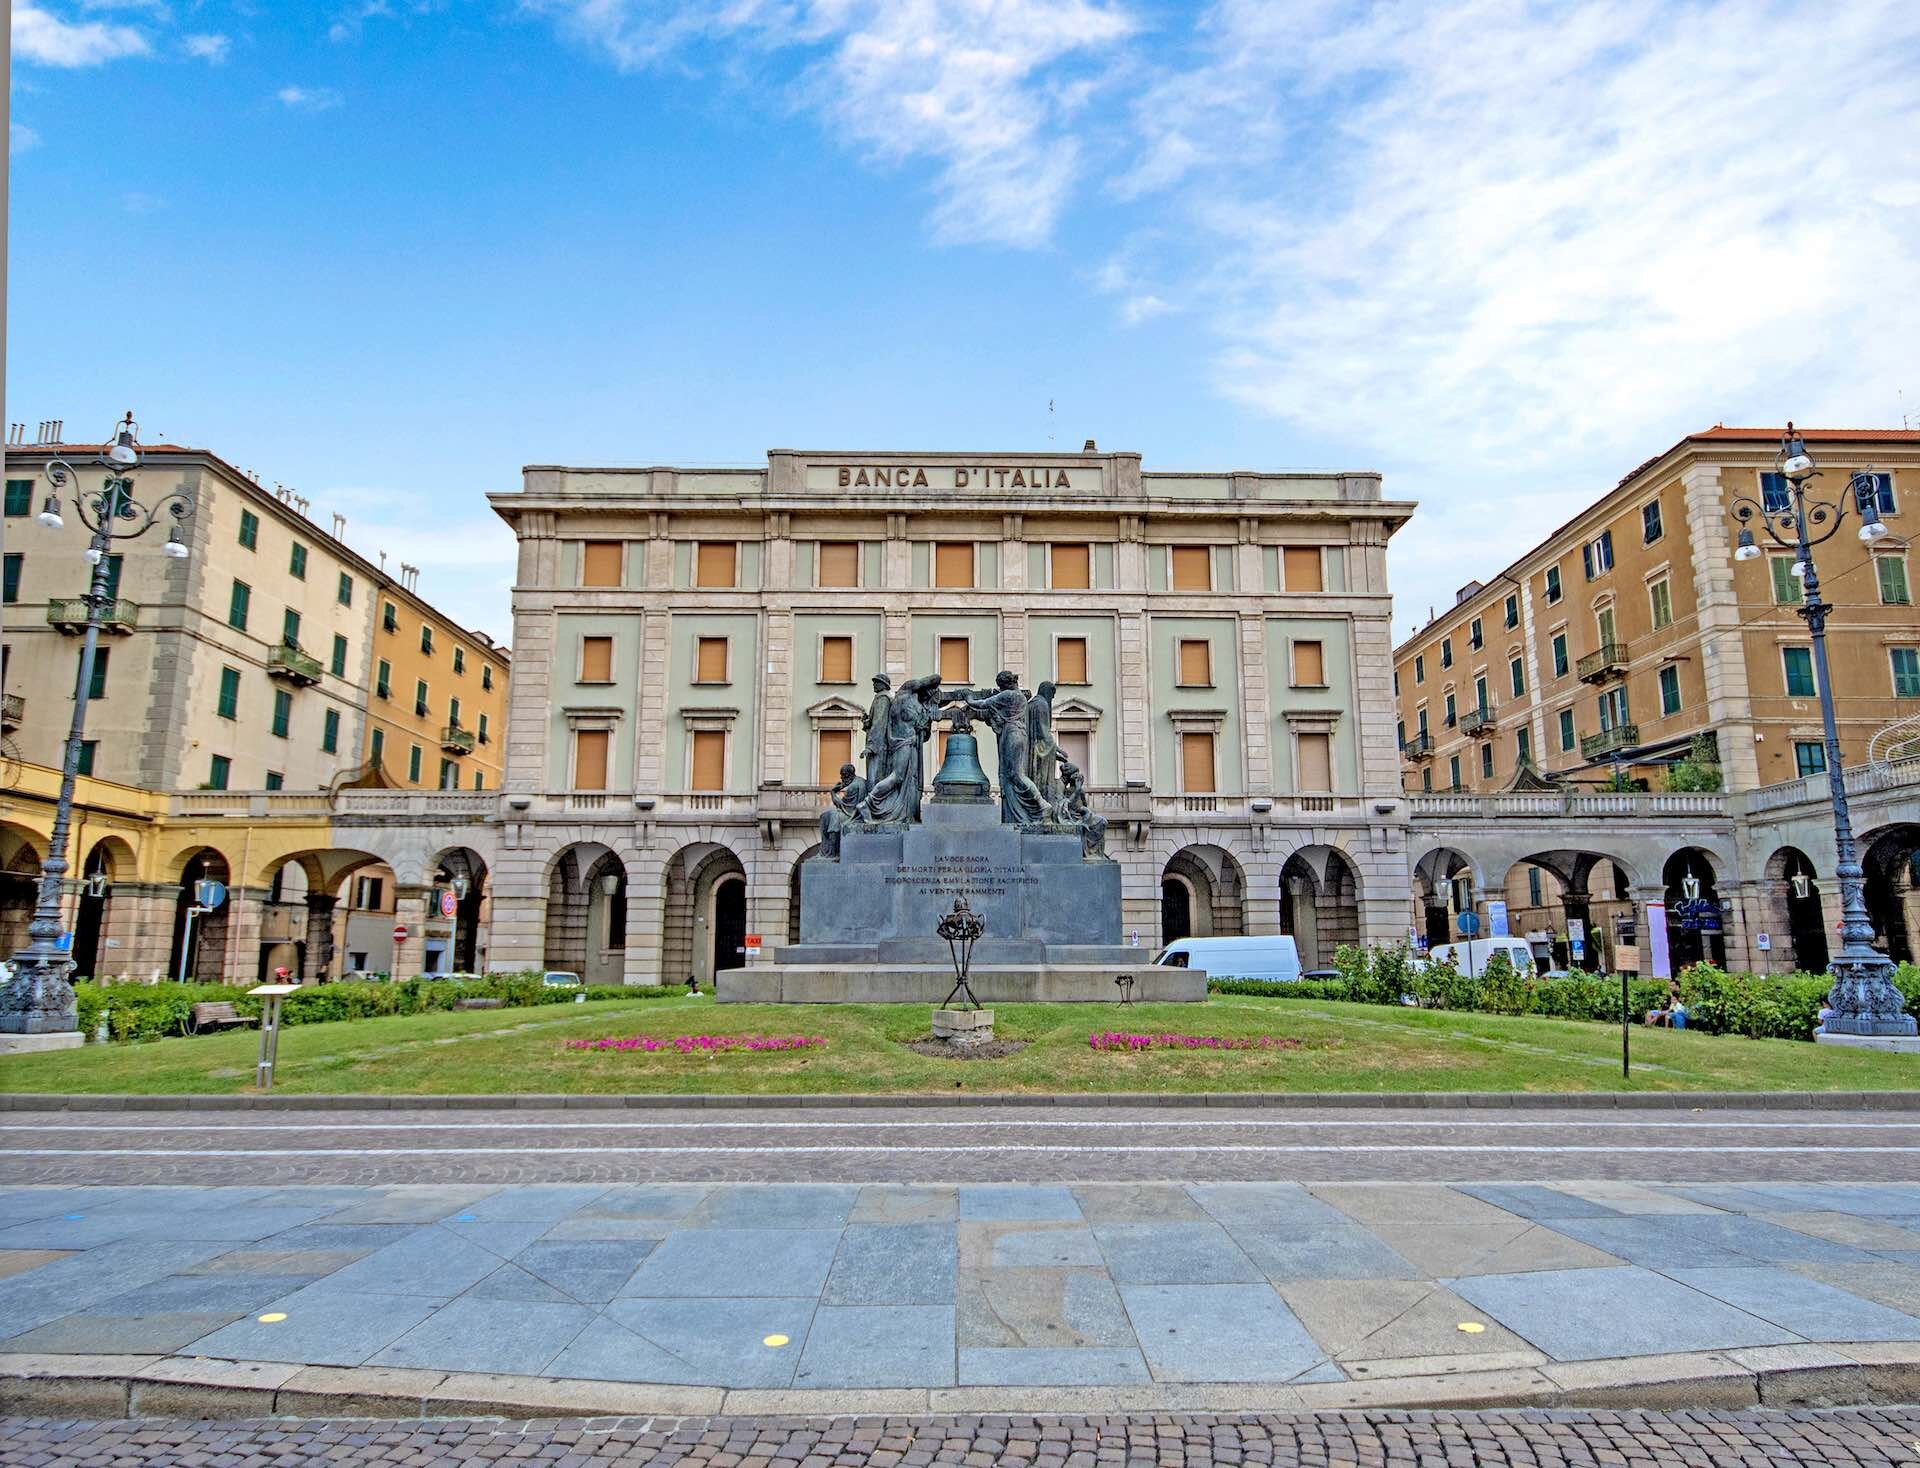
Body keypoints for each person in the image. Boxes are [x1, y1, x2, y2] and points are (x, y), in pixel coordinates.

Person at [957, 671, 1047, 826]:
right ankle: (1035, 807)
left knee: (1016, 774)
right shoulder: (1015, 698)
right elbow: (994, 712)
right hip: (1012, 733)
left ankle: (1043, 805)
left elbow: (982, 704)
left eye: (1000, 686)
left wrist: (968, 696)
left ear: (1004, 684)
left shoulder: (1010, 696)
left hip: (1013, 734)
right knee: (1011, 774)